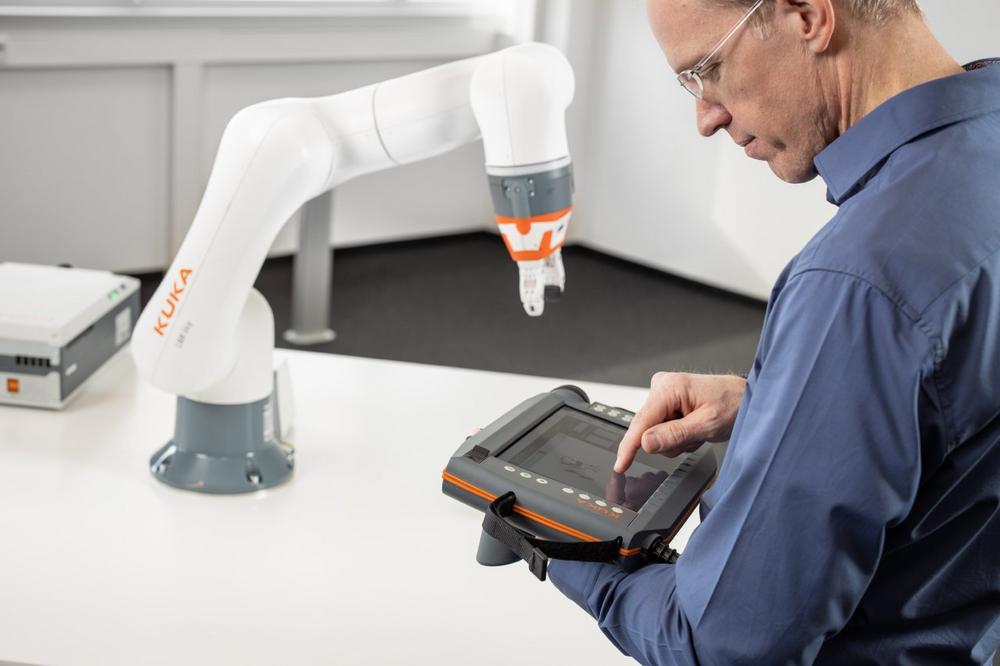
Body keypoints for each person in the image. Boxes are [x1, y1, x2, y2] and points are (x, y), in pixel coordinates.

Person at [546, 1, 1000, 664]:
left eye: (708, 69)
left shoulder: (857, 283)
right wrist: (779, 401)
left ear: (808, 15)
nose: (706, 117)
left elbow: (725, 644)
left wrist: (557, 545)